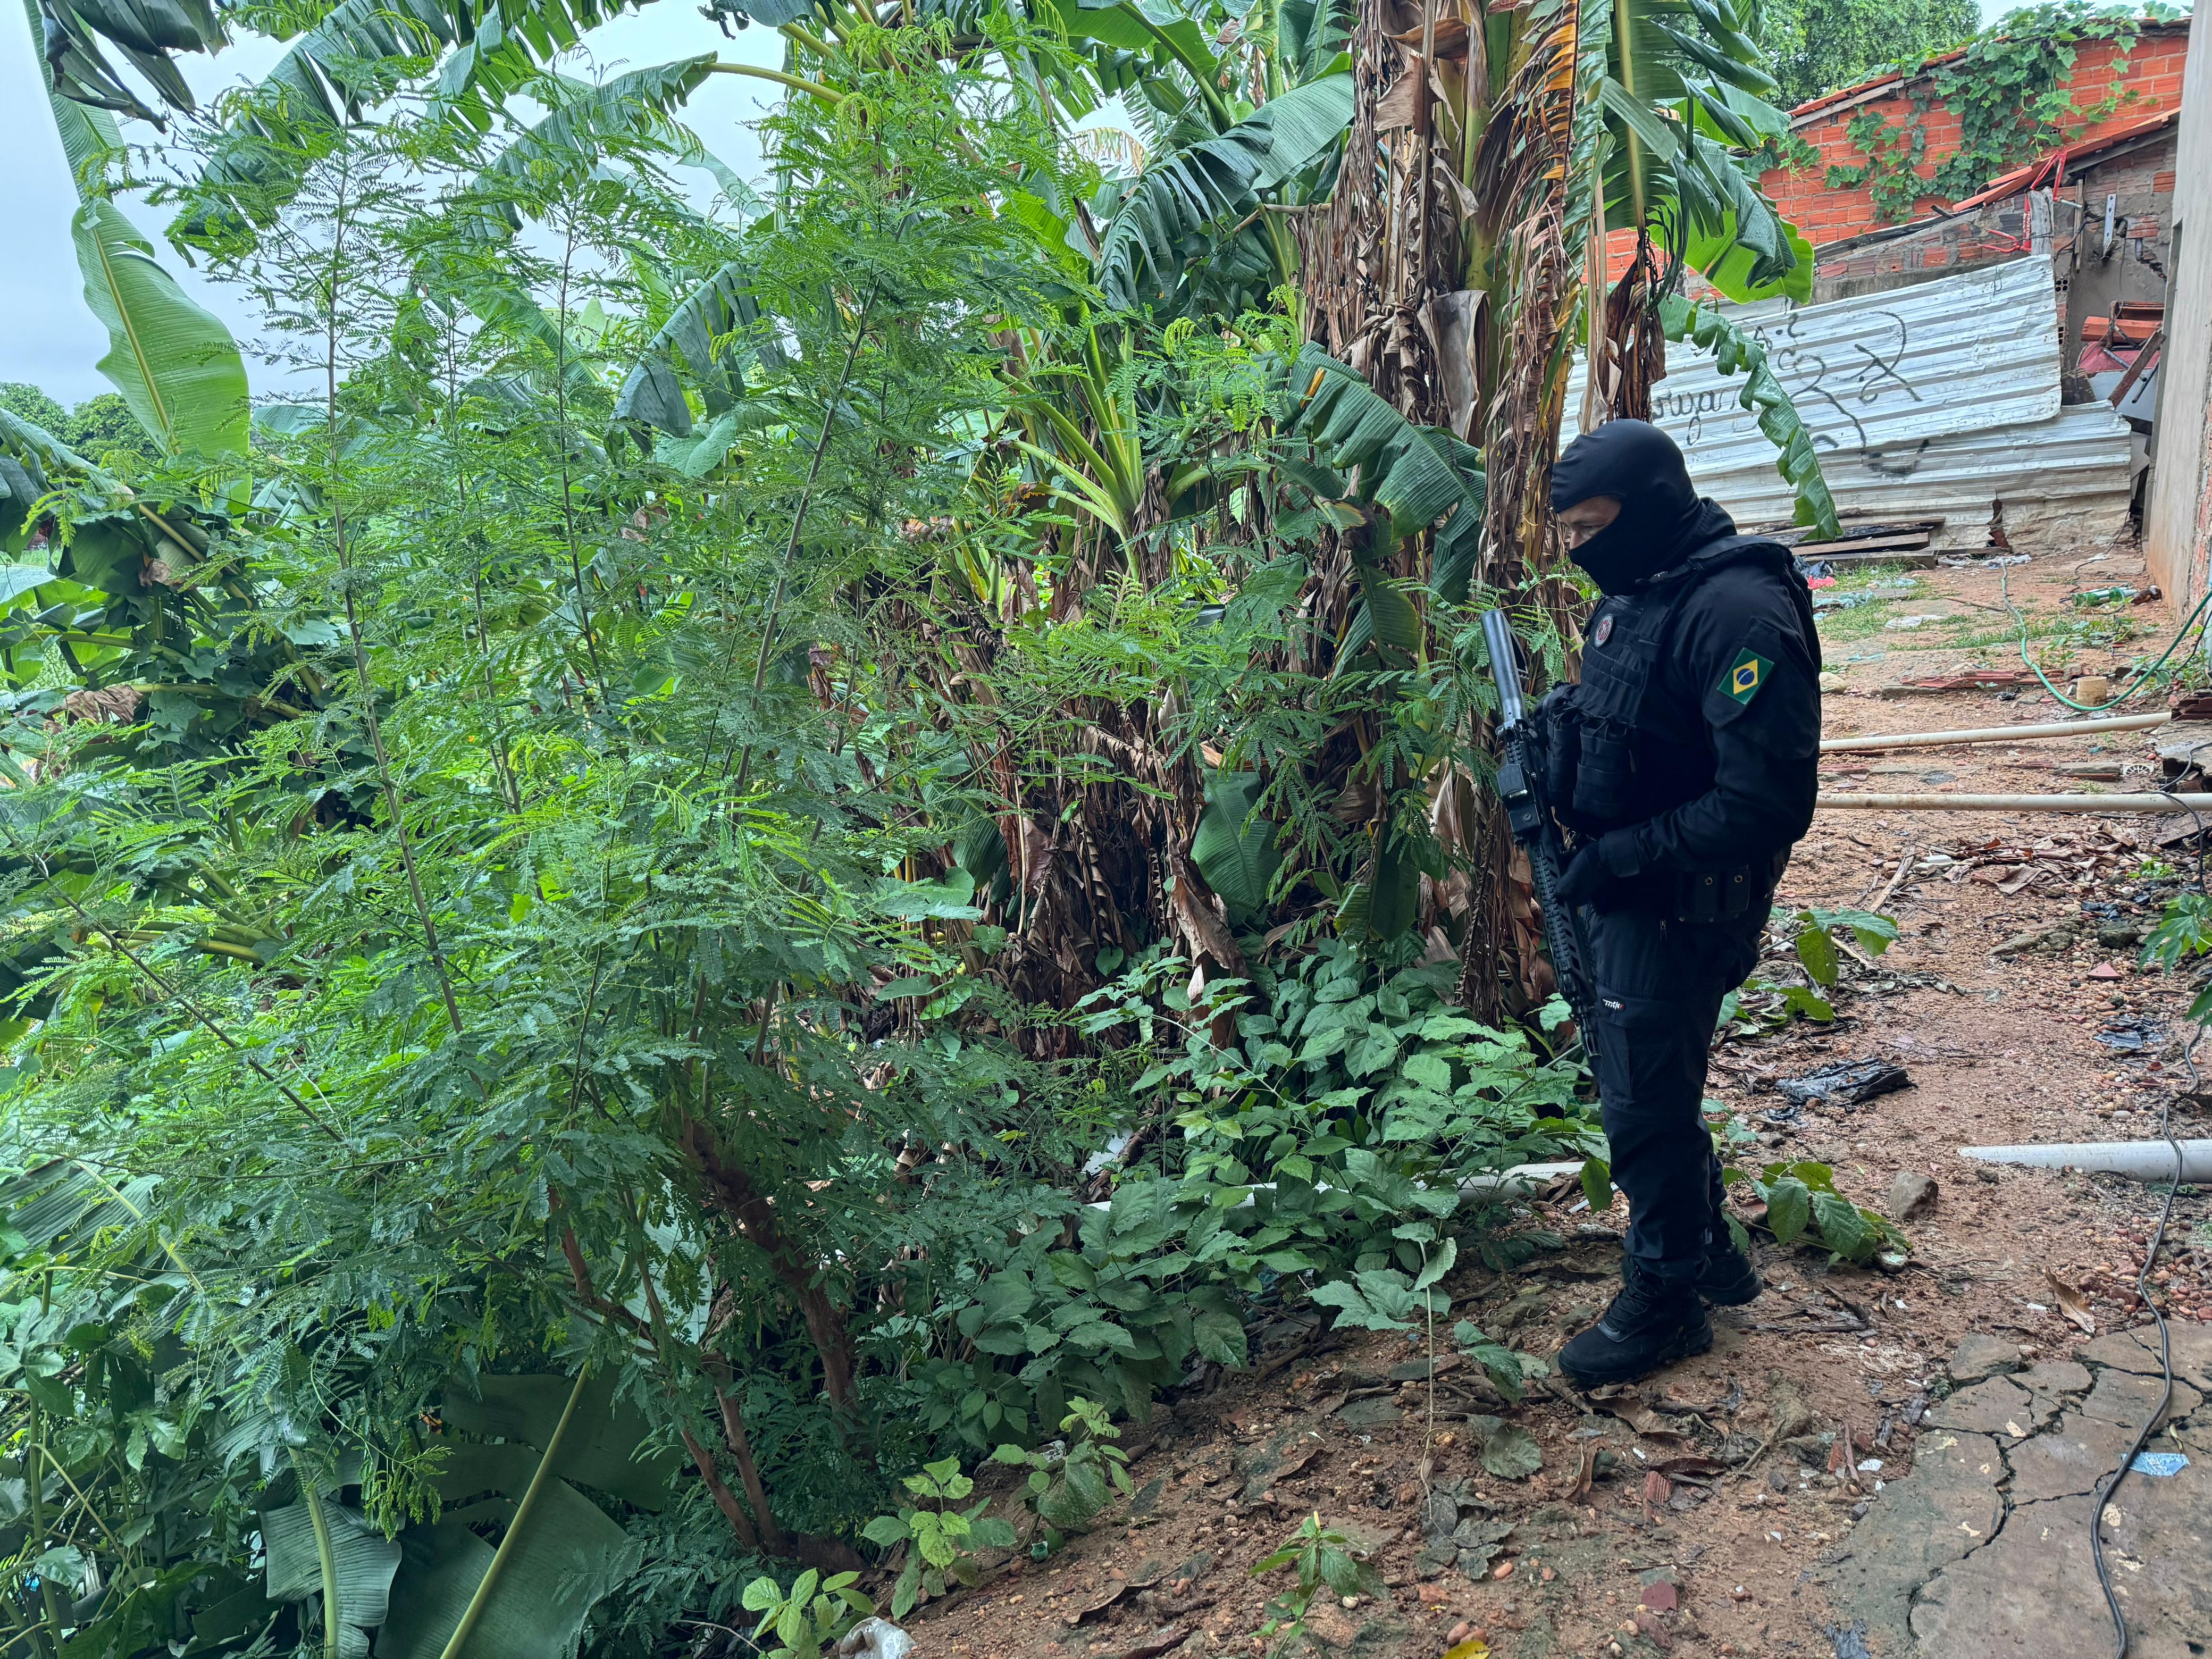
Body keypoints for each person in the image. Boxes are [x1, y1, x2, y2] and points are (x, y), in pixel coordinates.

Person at [1538, 420, 1822, 1388]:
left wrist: (1622, 857)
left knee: (1645, 1107)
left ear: (1651, 505)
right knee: (1641, 1081)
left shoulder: (1739, 612)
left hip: (1686, 899)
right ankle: (1711, 1255)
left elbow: (1767, 802)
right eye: (1566, 533)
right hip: (1630, 883)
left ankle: (1665, 1301)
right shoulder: (1642, 584)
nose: (1580, 551)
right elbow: (1635, 722)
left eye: (1592, 525)